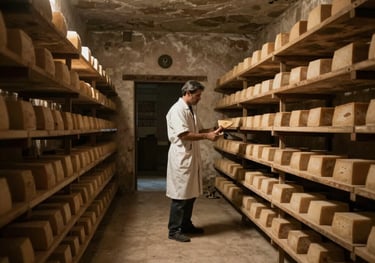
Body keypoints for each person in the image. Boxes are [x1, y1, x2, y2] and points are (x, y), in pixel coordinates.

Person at [166, 80, 223, 242]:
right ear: (188, 93)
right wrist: (207, 136)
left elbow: (199, 130)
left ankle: (186, 225)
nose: (199, 98)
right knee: (180, 196)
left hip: (191, 156)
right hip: (181, 157)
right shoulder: (177, 110)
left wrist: (214, 130)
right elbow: (184, 134)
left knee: (190, 194)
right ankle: (174, 230)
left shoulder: (190, 109)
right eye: (197, 96)